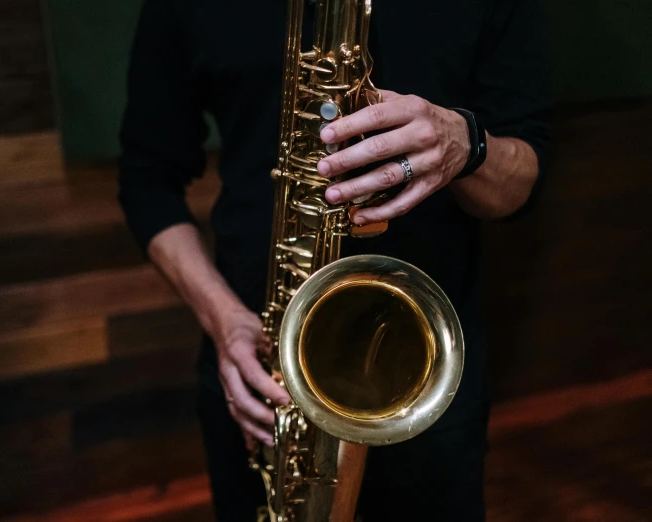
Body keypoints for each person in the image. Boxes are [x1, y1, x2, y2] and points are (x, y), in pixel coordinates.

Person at [119, 1, 549, 520]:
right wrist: (222, 319)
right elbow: (147, 182)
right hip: (260, 361)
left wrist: (467, 142)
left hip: (425, 374)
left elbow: (519, 190)